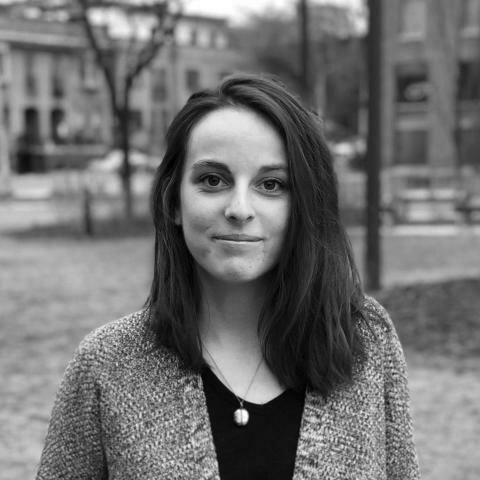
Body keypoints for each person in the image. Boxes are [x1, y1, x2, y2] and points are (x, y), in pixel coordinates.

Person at [36, 74, 420, 480]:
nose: (239, 209)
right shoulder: (106, 363)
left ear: (305, 204)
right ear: (173, 201)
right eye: (212, 180)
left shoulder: (367, 341)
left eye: (271, 184)